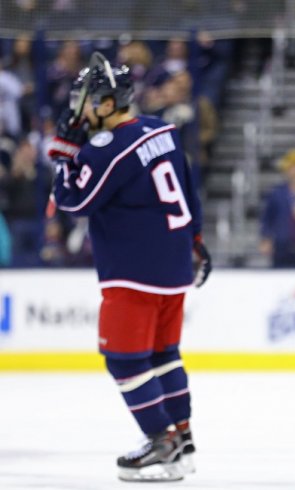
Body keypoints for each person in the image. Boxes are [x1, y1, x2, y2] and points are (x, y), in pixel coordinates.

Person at [49, 61, 211, 482]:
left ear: (106, 103)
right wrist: (196, 240)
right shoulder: (162, 130)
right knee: (163, 356)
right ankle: (183, 441)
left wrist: (63, 154)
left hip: (134, 272)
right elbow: (189, 188)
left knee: (123, 361)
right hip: (174, 265)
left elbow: (73, 201)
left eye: (84, 101)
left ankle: (162, 441)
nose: (78, 110)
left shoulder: (107, 147)